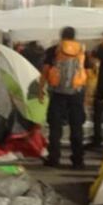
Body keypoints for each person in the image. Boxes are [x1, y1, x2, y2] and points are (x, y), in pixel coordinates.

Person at [39, 26, 87, 170]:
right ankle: (78, 160)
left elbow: (46, 71)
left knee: (55, 127)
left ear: (61, 36)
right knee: (77, 127)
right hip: (76, 93)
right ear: (74, 36)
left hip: (57, 93)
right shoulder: (82, 50)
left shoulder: (53, 50)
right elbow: (88, 72)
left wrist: (41, 89)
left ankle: (54, 158)